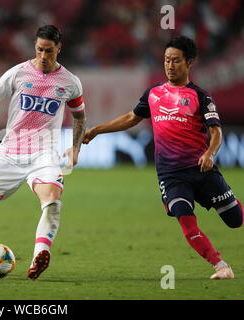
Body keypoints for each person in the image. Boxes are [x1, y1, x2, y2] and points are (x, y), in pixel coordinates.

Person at [83, 36, 242, 280]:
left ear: (189, 63)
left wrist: (210, 153)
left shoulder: (200, 96)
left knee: (235, 220)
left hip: (202, 170)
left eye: (176, 60)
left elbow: (216, 132)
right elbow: (131, 118)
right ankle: (221, 266)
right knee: (186, 222)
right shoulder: (154, 94)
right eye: (167, 60)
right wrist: (96, 130)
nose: (170, 65)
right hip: (171, 176)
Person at [0, 25, 86, 280]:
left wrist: (75, 146)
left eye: (49, 50)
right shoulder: (18, 73)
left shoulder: (70, 82)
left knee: (52, 200)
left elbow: (80, 117)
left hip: (44, 154)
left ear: (59, 49)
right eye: (39, 49)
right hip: (10, 152)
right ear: (35, 47)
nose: (44, 55)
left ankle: (40, 254)